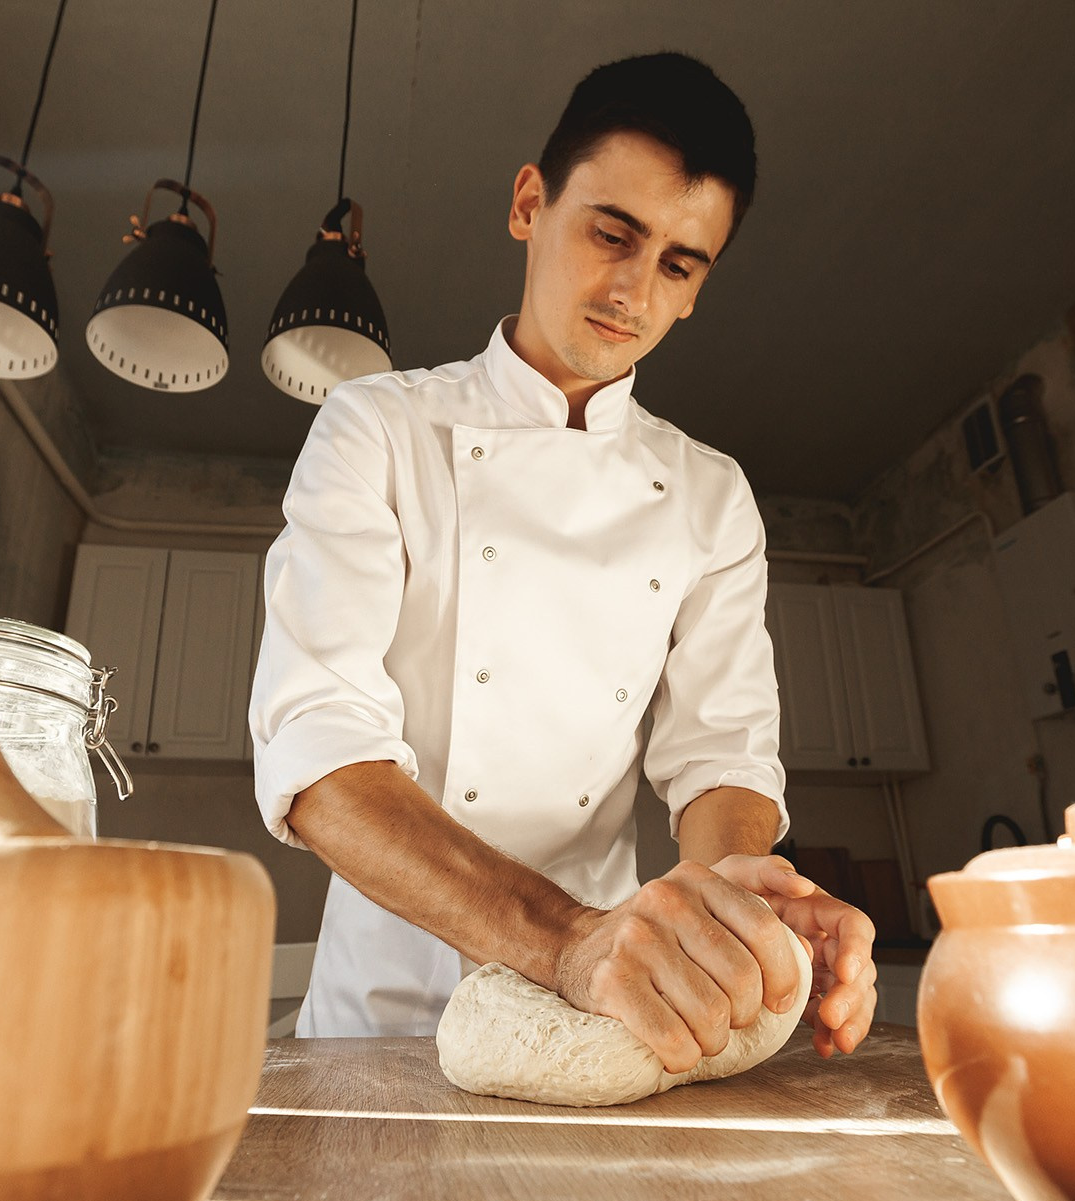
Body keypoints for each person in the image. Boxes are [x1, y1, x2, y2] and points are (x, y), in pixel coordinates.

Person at [250, 51, 877, 1073]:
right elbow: (319, 755)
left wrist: (742, 905)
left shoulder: (710, 491)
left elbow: (721, 752)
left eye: (679, 263)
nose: (634, 289)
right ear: (530, 204)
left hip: (602, 1009)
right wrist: (567, 940)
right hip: (383, 1011)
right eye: (612, 233)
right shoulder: (381, 426)